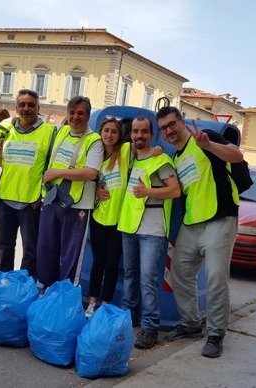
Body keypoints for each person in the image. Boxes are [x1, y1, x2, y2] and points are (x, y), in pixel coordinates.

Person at [157, 106, 244, 358]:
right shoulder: (175, 157)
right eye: (164, 128)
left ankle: (216, 333)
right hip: (192, 223)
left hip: (220, 217)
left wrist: (210, 146)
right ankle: (191, 323)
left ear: (182, 122)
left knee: (217, 276)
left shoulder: (204, 138)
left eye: (172, 124)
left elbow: (236, 155)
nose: (169, 130)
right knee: (180, 273)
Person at [118, 115, 181, 349]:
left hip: (151, 231)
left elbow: (175, 191)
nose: (139, 136)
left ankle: (149, 328)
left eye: (144, 132)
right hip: (128, 226)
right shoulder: (130, 156)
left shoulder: (161, 160)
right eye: (135, 132)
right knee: (130, 275)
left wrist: (148, 192)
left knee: (147, 280)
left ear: (151, 134)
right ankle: (128, 318)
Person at [37, 96, 103, 290]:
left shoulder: (94, 140)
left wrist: (58, 173)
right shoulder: (62, 131)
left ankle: (64, 295)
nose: (75, 117)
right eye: (72, 112)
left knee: (70, 254)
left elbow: (91, 172)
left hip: (77, 206)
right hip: (51, 199)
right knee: (46, 248)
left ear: (88, 116)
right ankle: (46, 290)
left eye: (80, 113)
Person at [0, 89, 56, 278]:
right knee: (5, 246)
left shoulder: (49, 132)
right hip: (5, 199)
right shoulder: (7, 131)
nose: (26, 108)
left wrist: (42, 196)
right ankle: (4, 281)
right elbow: (5, 163)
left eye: (30, 105)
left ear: (38, 108)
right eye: (22, 105)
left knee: (30, 250)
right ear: (16, 108)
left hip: (31, 203)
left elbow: (51, 168)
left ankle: (23, 285)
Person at [85, 117, 129, 318]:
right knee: (98, 262)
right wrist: (95, 191)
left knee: (112, 264)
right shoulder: (94, 155)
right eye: (106, 131)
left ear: (119, 135)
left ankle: (106, 304)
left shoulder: (125, 152)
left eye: (113, 131)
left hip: (119, 219)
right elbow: (87, 180)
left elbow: (144, 153)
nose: (109, 135)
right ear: (100, 132)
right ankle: (92, 302)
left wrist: (157, 151)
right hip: (99, 217)